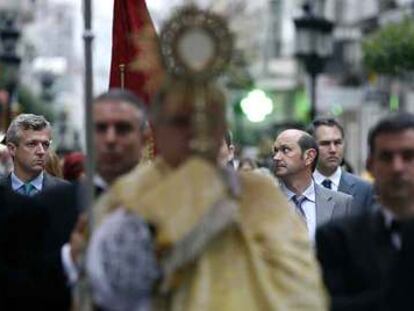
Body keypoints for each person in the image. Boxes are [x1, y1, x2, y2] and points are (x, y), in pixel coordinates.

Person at [89, 80, 327, 310]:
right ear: (159, 131)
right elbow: (111, 290)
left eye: (206, 122)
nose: (194, 134)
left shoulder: (261, 195)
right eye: (180, 123)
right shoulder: (129, 196)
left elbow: (299, 287)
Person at [316, 113, 414, 311]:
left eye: (408, 156)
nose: (397, 167)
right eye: (386, 157)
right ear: (371, 165)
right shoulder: (338, 238)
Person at [273, 129, 353, 240]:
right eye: (276, 151)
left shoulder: (343, 204)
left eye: (285, 150)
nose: (276, 157)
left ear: (309, 156)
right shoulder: (263, 203)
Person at [308, 117, 375, 212]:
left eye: (337, 143)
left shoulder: (364, 190)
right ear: (311, 148)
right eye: (325, 143)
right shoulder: (301, 188)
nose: (333, 150)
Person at [93, 89, 147, 194]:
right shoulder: (56, 202)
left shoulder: (171, 203)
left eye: (122, 129)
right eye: (101, 128)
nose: (110, 139)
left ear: (144, 138)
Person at [0, 114, 68, 195]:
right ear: (12, 149)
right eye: (32, 144)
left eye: (45, 144)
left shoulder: (64, 192)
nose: (41, 151)